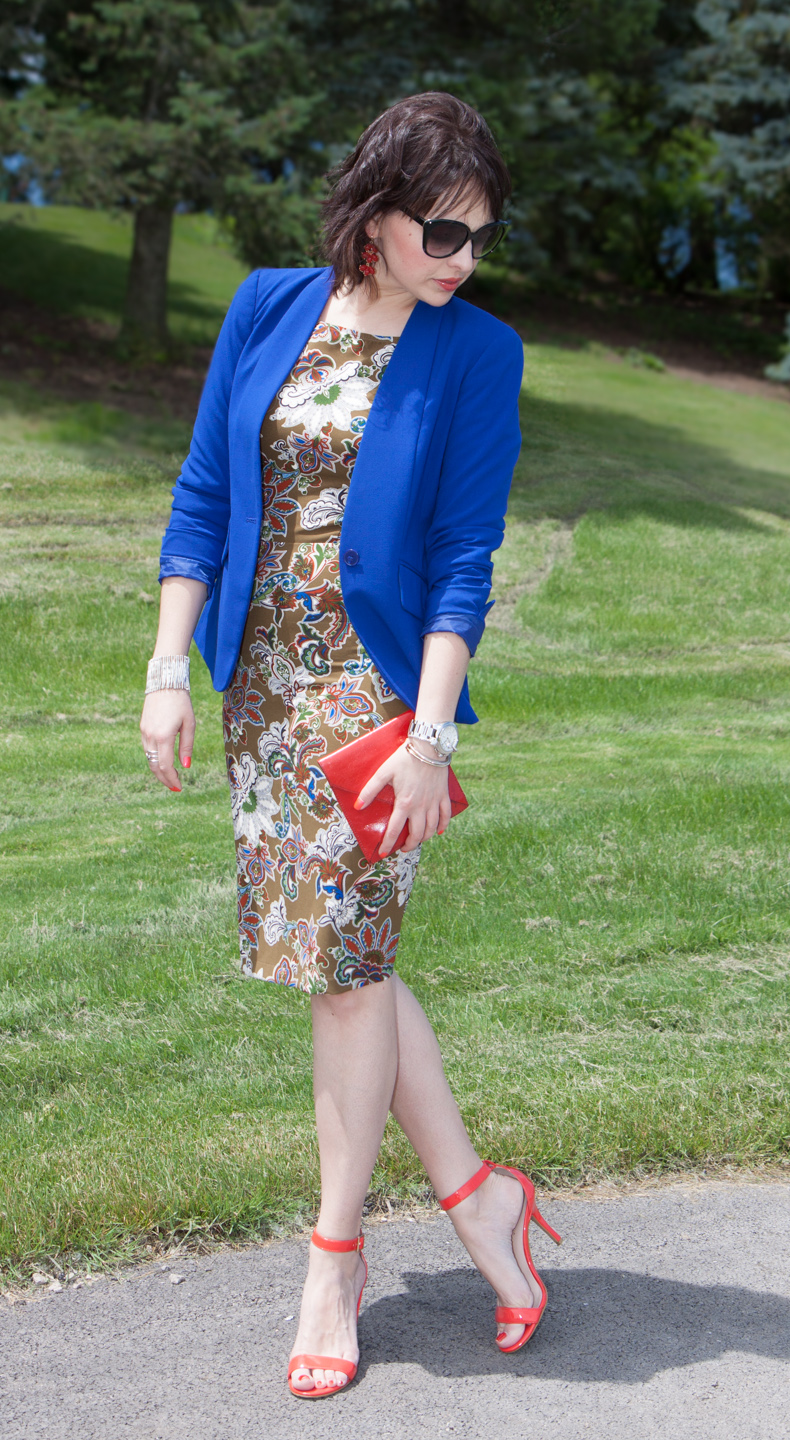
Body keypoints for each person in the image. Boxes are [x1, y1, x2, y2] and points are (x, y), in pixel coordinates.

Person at [140, 91, 561, 1401]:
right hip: (263, 693)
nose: (464, 260)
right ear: (376, 212)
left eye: (481, 236)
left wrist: (431, 736)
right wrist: (168, 668)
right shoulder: (269, 306)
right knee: (354, 970)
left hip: (375, 708)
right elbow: (205, 496)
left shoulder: (477, 351)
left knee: (344, 976)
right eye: (444, 231)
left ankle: (334, 1260)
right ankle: (483, 1202)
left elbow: (463, 558)